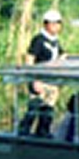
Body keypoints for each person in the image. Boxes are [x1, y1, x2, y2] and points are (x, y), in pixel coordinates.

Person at [17, 9, 66, 137]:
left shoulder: (54, 41)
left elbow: (61, 55)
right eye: (53, 23)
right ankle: (24, 132)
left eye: (58, 23)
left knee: (48, 109)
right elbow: (30, 59)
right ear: (46, 24)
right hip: (39, 80)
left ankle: (43, 132)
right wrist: (34, 79)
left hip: (51, 80)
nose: (56, 26)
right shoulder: (39, 40)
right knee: (34, 107)